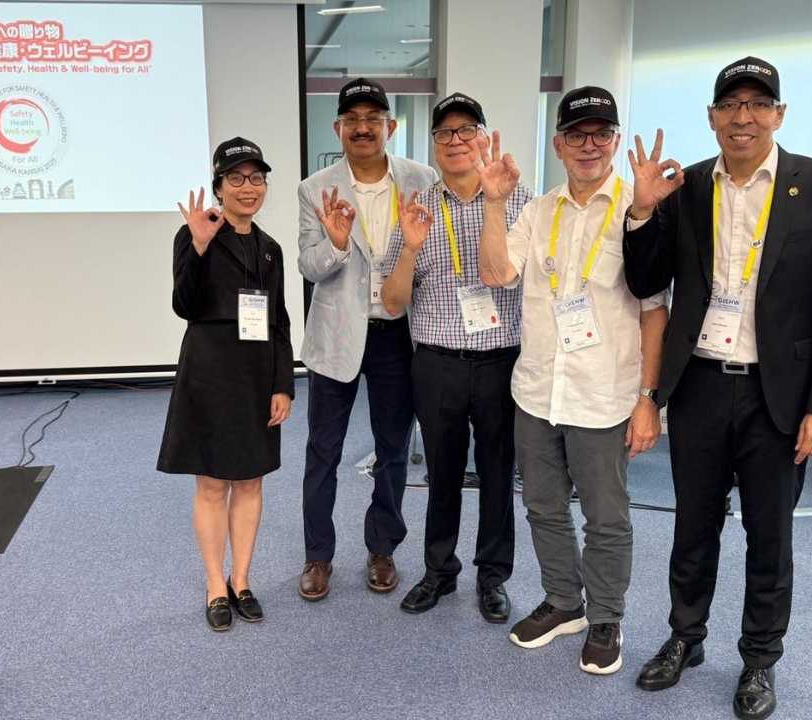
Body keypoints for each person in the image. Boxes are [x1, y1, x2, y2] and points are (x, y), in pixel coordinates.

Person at [623, 57, 812, 719]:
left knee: (770, 537)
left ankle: (759, 660)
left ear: (779, 114)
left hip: (781, 397)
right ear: (712, 117)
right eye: (730, 105)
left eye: (758, 104)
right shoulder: (685, 187)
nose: (743, 117)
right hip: (700, 387)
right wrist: (642, 211)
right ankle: (685, 637)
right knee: (693, 527)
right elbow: (645, 282)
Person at [477, 86, 667, 675]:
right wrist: (492, 204)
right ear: (558, 145)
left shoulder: (640, 208)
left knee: (606, 517)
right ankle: (564, 602)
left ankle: (606, 616)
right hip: (538, 390)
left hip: (603, 394)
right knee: (542, 506)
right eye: (577, 135)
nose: (589, 145)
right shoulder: (538, 211)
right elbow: (496, 273)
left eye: (601, 134)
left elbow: (654, 312)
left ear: (615, 140)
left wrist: (648, 400)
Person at [382, 92, 533, 622]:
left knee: (497, 472)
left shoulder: (520, 201)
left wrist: (495, 201)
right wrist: (409, 247)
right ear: (434, 144)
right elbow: (393, 302)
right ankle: (439, 570)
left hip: (501, 360)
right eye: (444, 132)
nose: (455, 140)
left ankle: (493, 576)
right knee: (441, 473)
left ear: (484, 137)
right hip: (438, 362)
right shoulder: (418, 206)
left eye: (467, 130)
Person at [297, 78, 437, 601]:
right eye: (352, 119)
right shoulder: (315, 188)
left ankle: (383, 548)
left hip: (397, 333)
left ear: (390, 127)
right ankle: (318, 556)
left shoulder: (422, 179)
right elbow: (309, 267)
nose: (362, 128)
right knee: (323, 452)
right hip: (337, 334)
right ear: (338, 128)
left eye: (372, 119)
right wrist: (335, 244)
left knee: (393, 449)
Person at [158, 138, 294, 632]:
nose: (248, 187)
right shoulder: (195, 234)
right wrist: (197, 246)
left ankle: (242, 580)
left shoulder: (270, 249)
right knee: (213, 483)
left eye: (256, 178)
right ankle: (216, 584)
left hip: (257, 375)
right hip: (209, 373)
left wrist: (283, 384)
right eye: (236, 178)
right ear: (218, 186)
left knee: (251, 480)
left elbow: (279, 321)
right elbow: (185, 304)